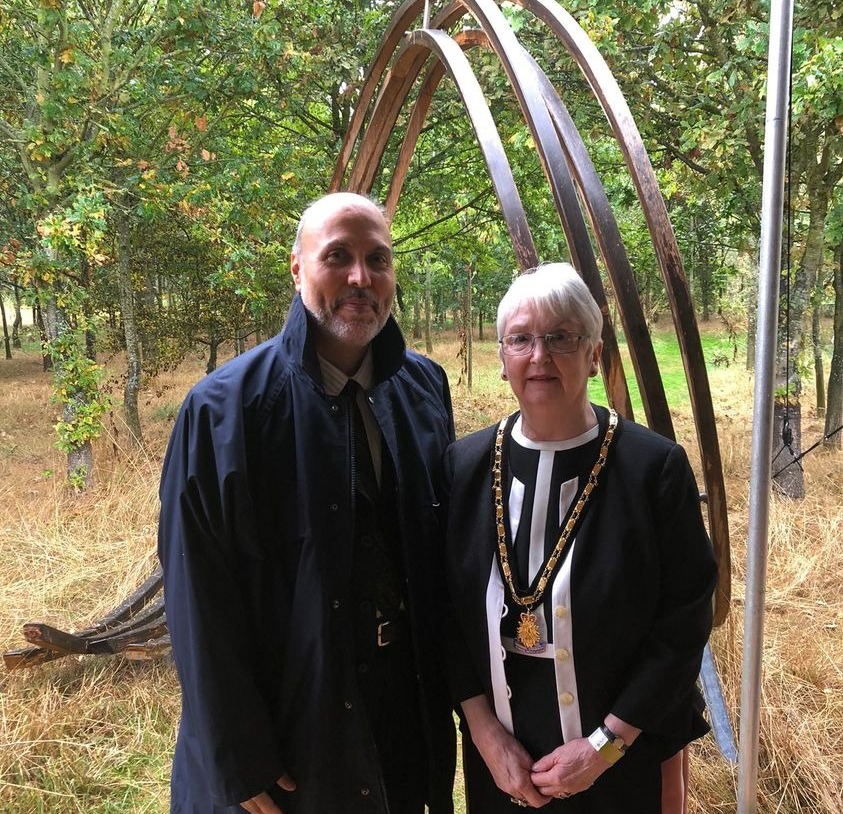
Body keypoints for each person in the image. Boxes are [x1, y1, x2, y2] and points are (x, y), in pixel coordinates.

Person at [158, 192, 456, 814]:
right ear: (297, 270)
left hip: (401, 714)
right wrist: (237, 760)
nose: (360, 278)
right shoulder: (223, 411)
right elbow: (198, 593)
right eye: (338, 257)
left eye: (378, 259)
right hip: (287, 729)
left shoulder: (423, 389)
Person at [442, 262, 717, 813]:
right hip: (504, 770)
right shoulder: (464, 466)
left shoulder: (652, 469)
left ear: (594, 354)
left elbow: (684, 621)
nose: (538, 356)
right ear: (501, 359)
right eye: (520, 339)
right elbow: (442, 613)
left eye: (560, 338)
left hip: (619, 764)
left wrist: (603, 748)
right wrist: (485, 735)